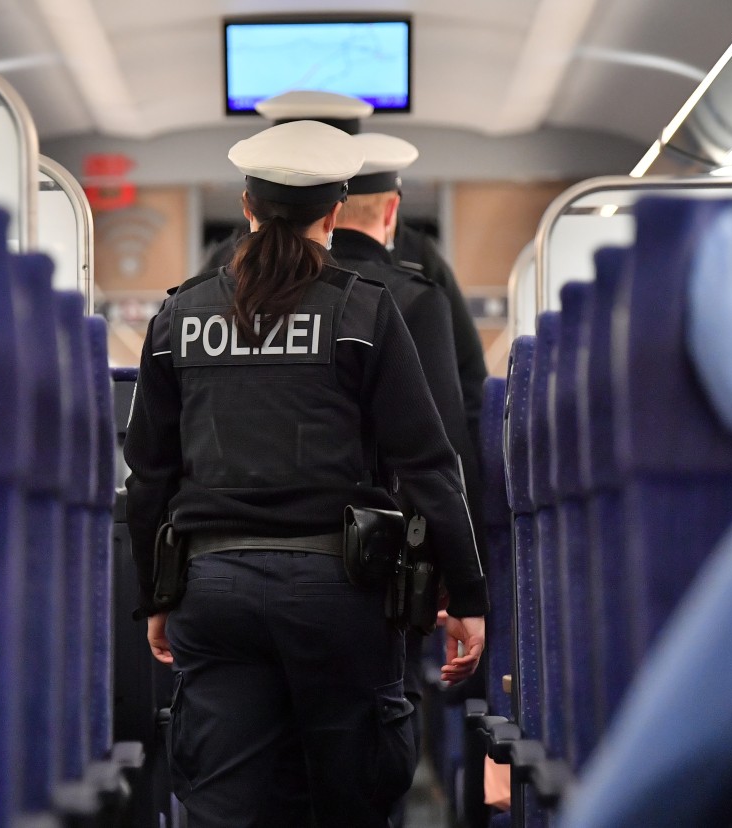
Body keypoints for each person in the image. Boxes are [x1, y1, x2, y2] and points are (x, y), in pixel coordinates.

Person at [124, 120, 488, 828]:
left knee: (223, 804)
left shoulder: (180, 314)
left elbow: (148, 476)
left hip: (213, 588)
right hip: (340, 595)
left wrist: (155, 596)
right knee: (348, 803)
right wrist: (466, 595)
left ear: (247, 208)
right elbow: (428, 463)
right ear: (333, 213)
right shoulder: (365, 309)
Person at [331, 131, 488, 825]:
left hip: (238, 573)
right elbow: (441, 447)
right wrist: (461, 578)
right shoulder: (411, 296)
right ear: (390, 212)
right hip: (378, 566)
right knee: (371, 757)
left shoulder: (228, 297)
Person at [201, 90, 487, 454]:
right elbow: (447, 420)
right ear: (335, 209)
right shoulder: (399, 289)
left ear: (247, 205)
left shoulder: (211, 281)